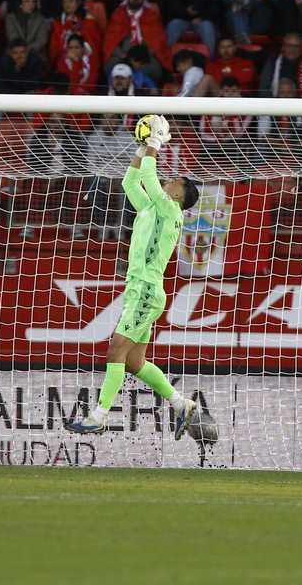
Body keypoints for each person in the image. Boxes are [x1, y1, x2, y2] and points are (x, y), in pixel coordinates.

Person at [65, 128, 201, 437]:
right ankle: (182, 405)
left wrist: (155, 140)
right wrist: (142, 148)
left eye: (174, 182)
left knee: (115, 352)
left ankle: (98, 417)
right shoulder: (153, 209)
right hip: (141, 290)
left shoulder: (169, 209)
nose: (168, 181)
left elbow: (150, 179)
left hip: (146, 291)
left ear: (178, 195)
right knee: (135, 362)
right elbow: (131, 181)